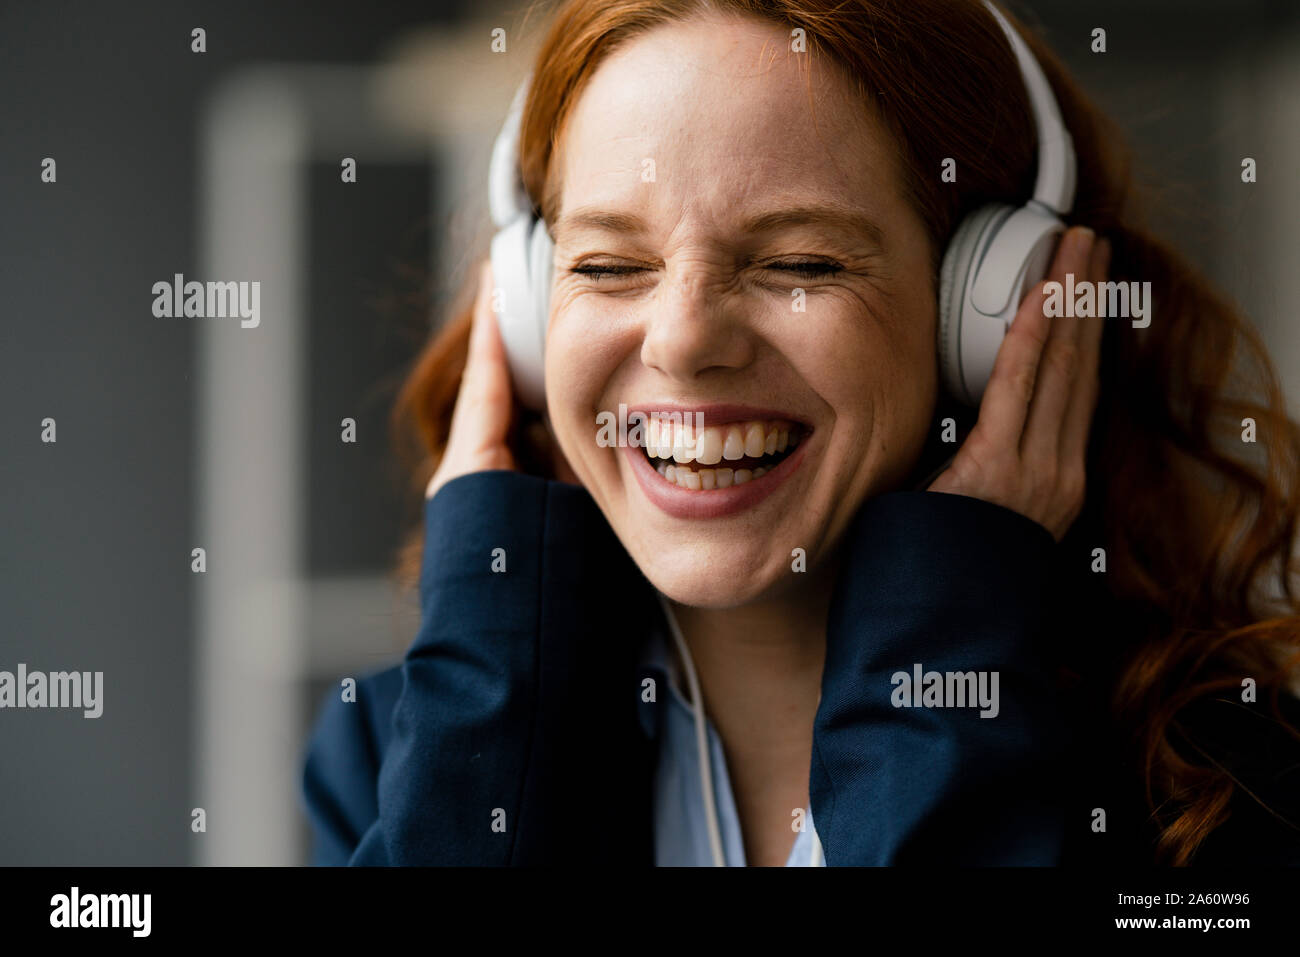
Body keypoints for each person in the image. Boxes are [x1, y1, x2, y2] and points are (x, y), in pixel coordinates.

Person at [300, 0, 1300, 866]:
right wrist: (488, 705)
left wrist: (939, 674)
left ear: (990, 311)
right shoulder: (394, 755)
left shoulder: (1220, 790)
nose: (685, 342)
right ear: (524, 313)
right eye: (606, 266)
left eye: (805, 263)